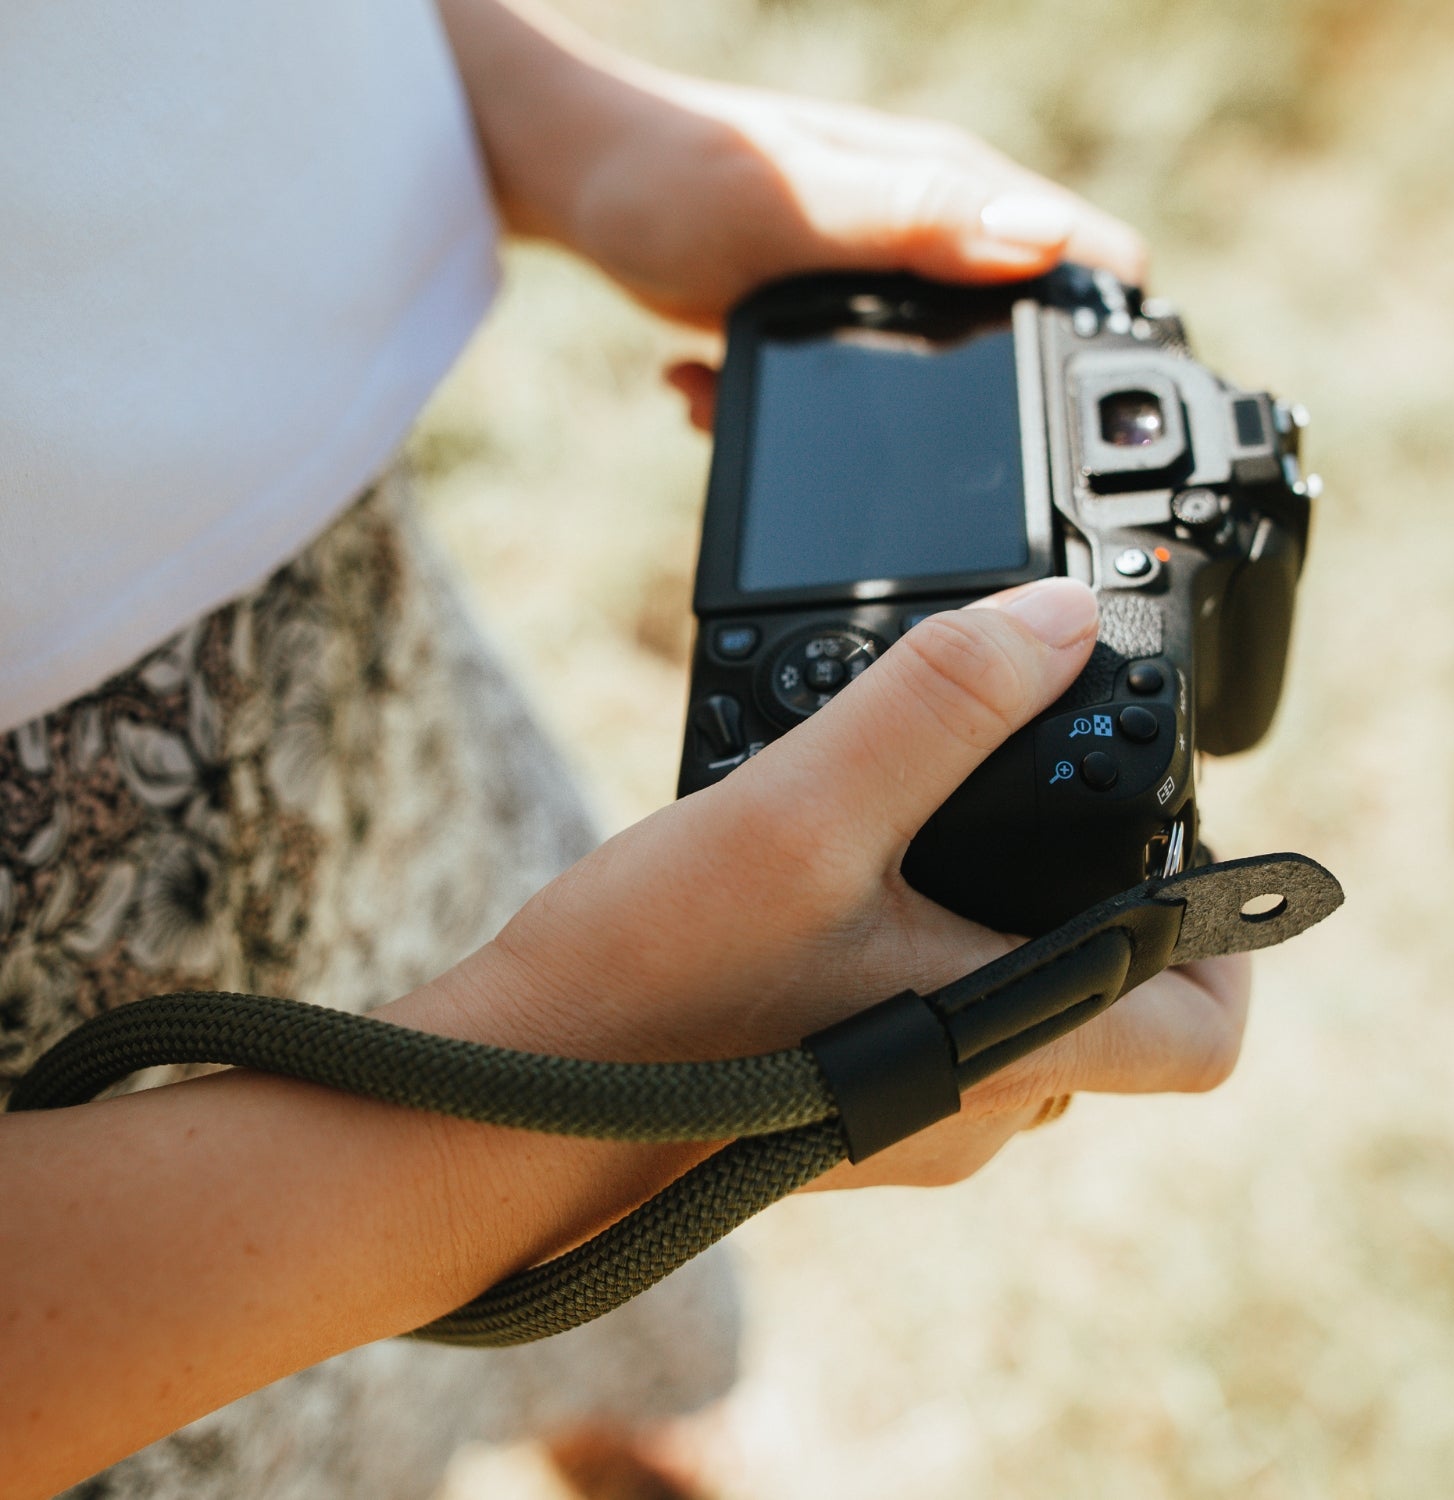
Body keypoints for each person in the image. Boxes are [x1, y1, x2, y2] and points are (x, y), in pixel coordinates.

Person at [0, 1, 1250, 1496]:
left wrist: (553, 118)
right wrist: (599, 1106)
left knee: (545, 1036)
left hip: (336, 651)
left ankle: (594, 1395)